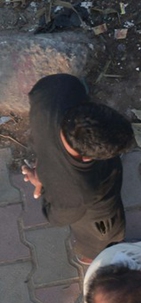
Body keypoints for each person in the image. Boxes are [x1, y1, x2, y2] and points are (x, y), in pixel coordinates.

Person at [23, 73, 134, 265]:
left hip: (46, 154)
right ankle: (96, 256)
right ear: (88, 157)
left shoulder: (60, 89)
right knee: (103, 237)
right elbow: (58, 217)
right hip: (97, 213)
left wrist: (42, 175)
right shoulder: (78, 192)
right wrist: (42, 181)